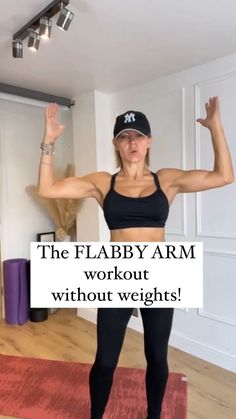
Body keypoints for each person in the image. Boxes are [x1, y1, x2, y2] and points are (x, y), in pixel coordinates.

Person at [38, 97, 234, 419]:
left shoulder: (166, 180)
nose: (133, 142)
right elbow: (47, 188)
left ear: (149, 142)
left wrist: (215, 127)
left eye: (139, 136)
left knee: (157, 356)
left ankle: (153, 415)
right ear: (116, 143)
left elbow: (224, 175)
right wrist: (48, 143)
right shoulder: (103, 183)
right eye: (125, 136)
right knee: (105, 360)